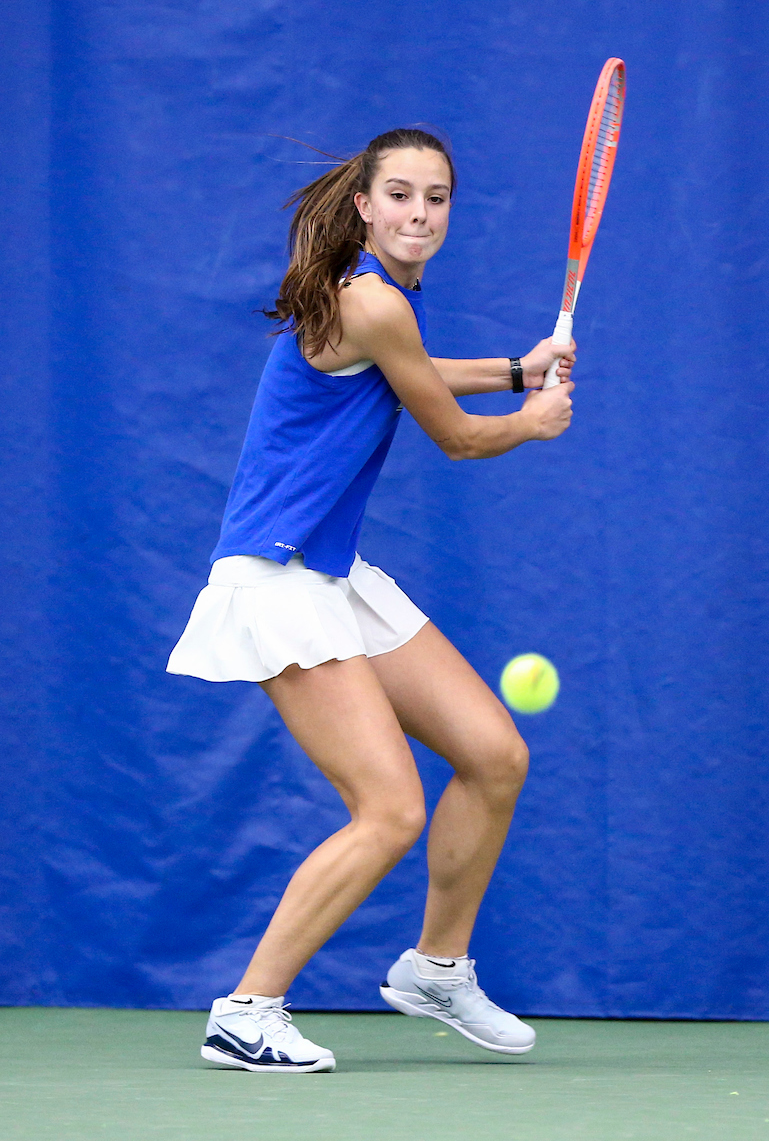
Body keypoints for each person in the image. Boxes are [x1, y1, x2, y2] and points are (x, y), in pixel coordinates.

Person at [167, 128, 575, 1073]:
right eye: (400, 195)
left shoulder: (376, 302)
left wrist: (521, 365)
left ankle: (436, 968)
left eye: (436, 198)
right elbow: (462, 440)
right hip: (276, 579)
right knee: (389, 808)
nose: (419, 214)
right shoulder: (372, 300)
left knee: (494, 754)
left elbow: (415, 374)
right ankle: (247, 1009)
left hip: (334, 572)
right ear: (364, 204)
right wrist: (531, 418)